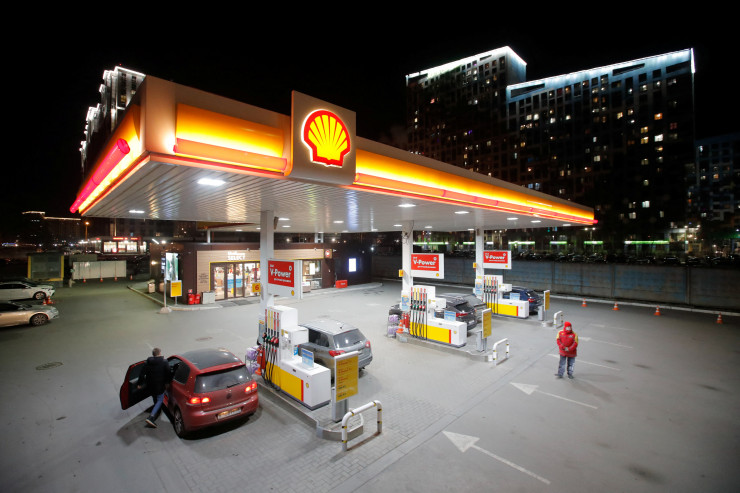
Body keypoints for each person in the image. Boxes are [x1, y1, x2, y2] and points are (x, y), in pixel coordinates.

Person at [137, 347, 170, 428]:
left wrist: (139, 384)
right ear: (160, 353)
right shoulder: (164, 362)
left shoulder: (147, 362)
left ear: (153, 354)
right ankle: (151, 417)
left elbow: (142, 374)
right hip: (159, 386)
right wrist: (167, 383)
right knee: (160, 400)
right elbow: (168, 373)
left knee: (154, 397)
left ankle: (156, 409)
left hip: (150, 385)